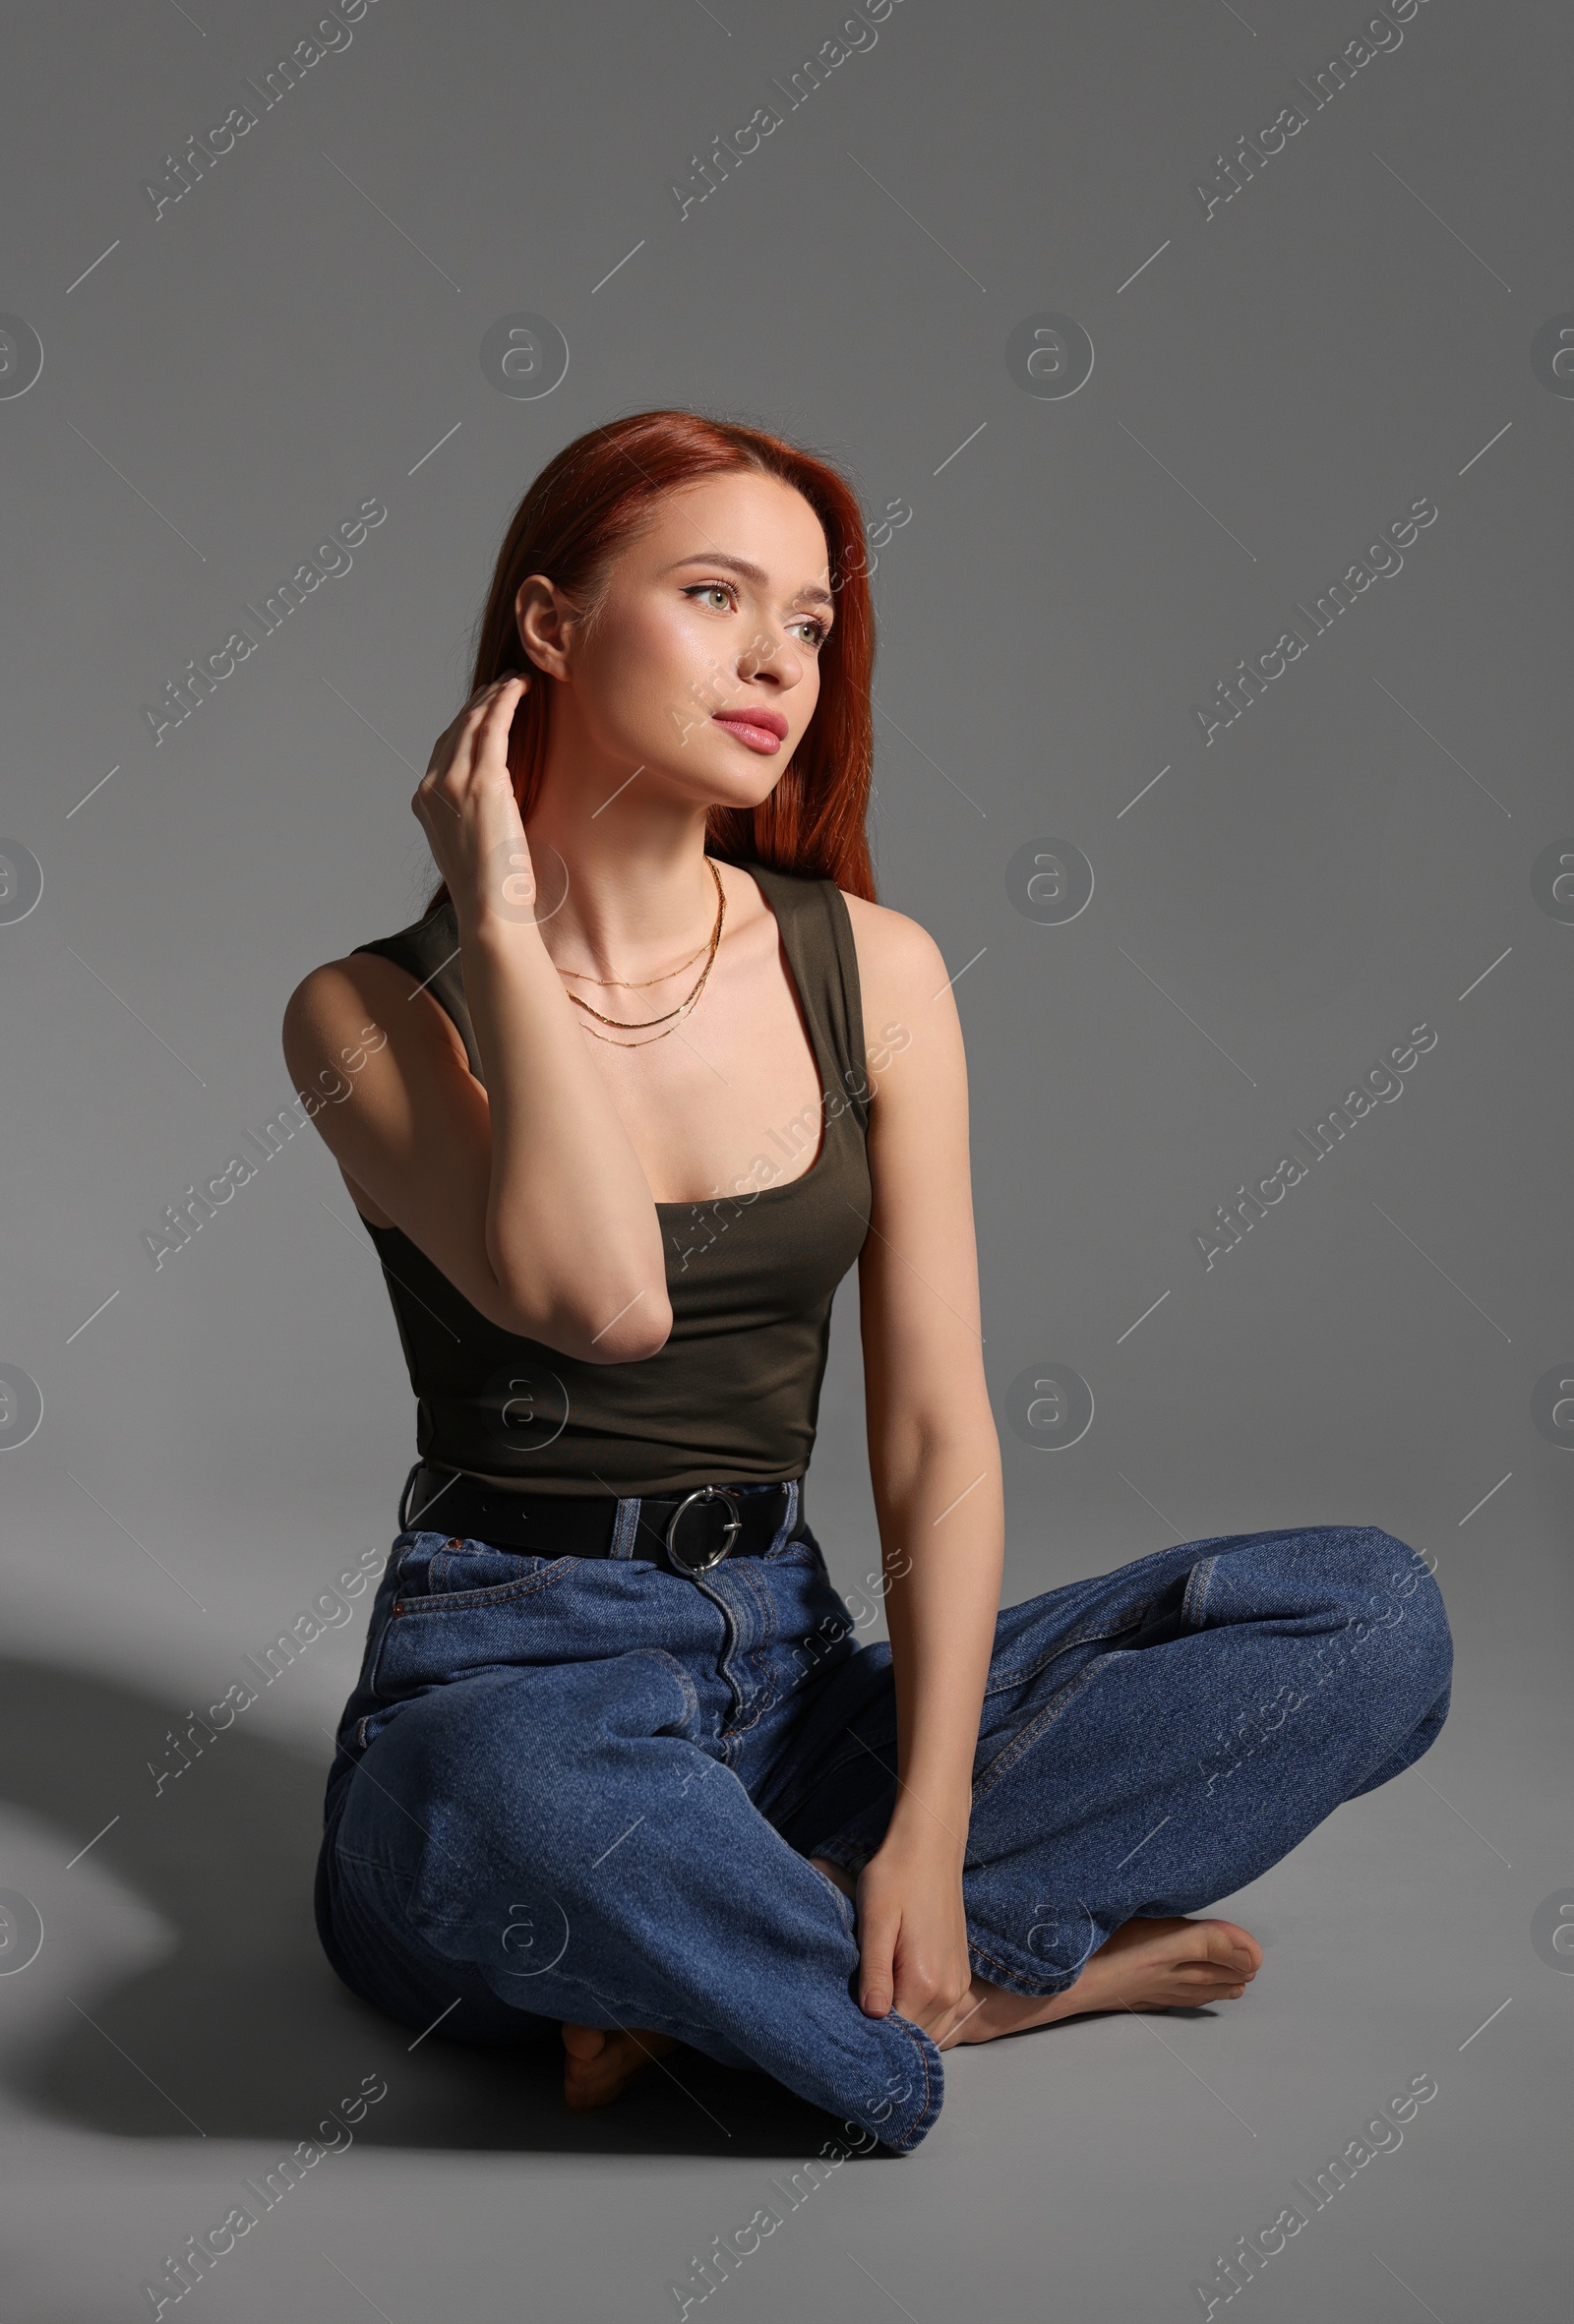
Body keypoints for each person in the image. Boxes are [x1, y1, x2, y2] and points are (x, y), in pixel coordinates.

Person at [284, 410, 1452, 2153]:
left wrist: (923, 1813)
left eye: (812, 625)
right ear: (550, 625)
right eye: (713, 594)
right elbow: (605, 1301)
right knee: (488, 1815)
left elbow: (929, 1427)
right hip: (518, 1679)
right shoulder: (367, 1013)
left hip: (788, 1669)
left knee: (1371, 1618)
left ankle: (733, 1977)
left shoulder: (872, 972)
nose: (779, 661)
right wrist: (504, 923)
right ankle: (982, 1996)